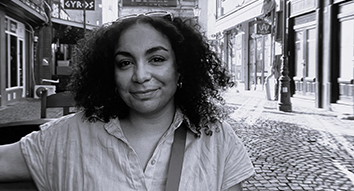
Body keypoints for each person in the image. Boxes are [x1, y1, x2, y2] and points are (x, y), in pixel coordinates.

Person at [0, 11, 254, 190]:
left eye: (156, 59)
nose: (141, 76)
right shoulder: (64, 138)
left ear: (180, 69)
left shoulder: (217, 140)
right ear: (110, 74)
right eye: (125, 63)